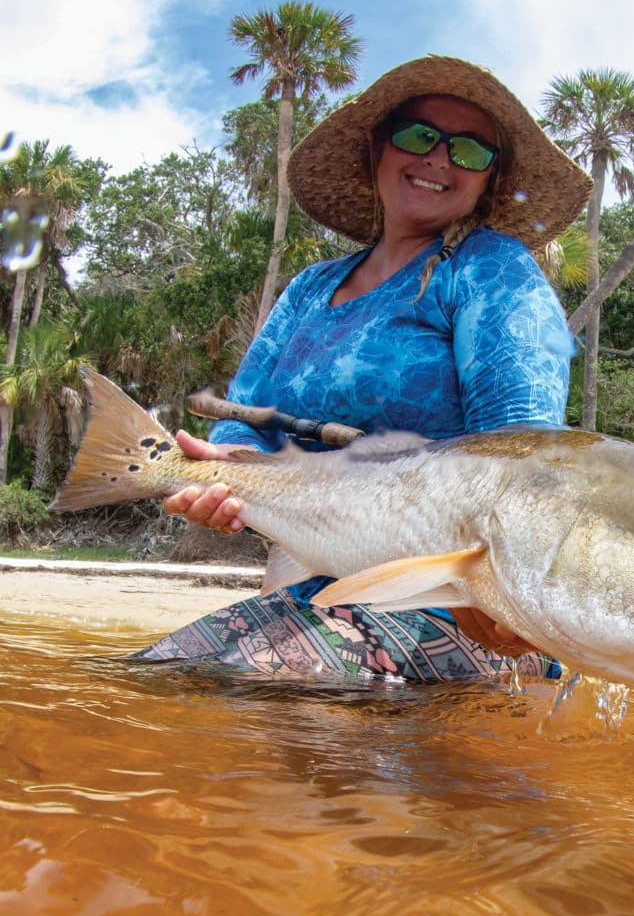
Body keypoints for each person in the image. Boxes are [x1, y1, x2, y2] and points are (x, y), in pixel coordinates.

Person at [136, 55, 592, 681]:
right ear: (378, 149)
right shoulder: (308, 288)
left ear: (490, 177)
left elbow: (522, 456)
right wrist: (214, 480)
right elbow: (245, 422)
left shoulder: (493, 268)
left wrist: (492, 598)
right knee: (156, 674)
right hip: (308, 577)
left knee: (231, 685)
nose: (438, 160)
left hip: (450, 599)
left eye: (469, 150)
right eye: (417, 136)